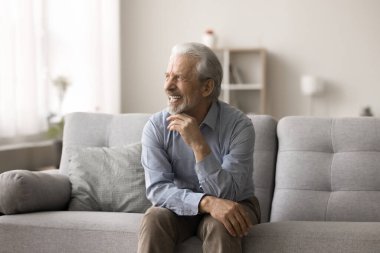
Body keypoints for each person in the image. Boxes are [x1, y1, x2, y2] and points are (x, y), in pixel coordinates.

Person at [138, 42, 260, 253]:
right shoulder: (156, 126)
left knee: (223, 223)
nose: (168, 86)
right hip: (179, 207)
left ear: (207, 87)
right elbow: (157, 189)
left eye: (179, 77)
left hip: (235, 202)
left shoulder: (239, 126)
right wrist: (207, 203)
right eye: (167, 76)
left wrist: (198, 144)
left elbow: (228, 194)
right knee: (154, 217)